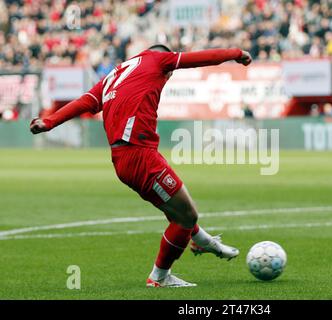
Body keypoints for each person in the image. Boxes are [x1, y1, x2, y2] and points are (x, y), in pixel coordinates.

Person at [30, 44, 253, 288]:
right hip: (139, 156)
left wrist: (49, 121)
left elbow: (86, 101)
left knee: (177, 209)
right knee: (186, 216)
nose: (167, 78)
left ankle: (200, 240)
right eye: (169, 74)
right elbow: (200, 58)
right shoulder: (158, 59)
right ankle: (159, 277)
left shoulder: (114, 74)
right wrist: (236, 53)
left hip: (125, 157)